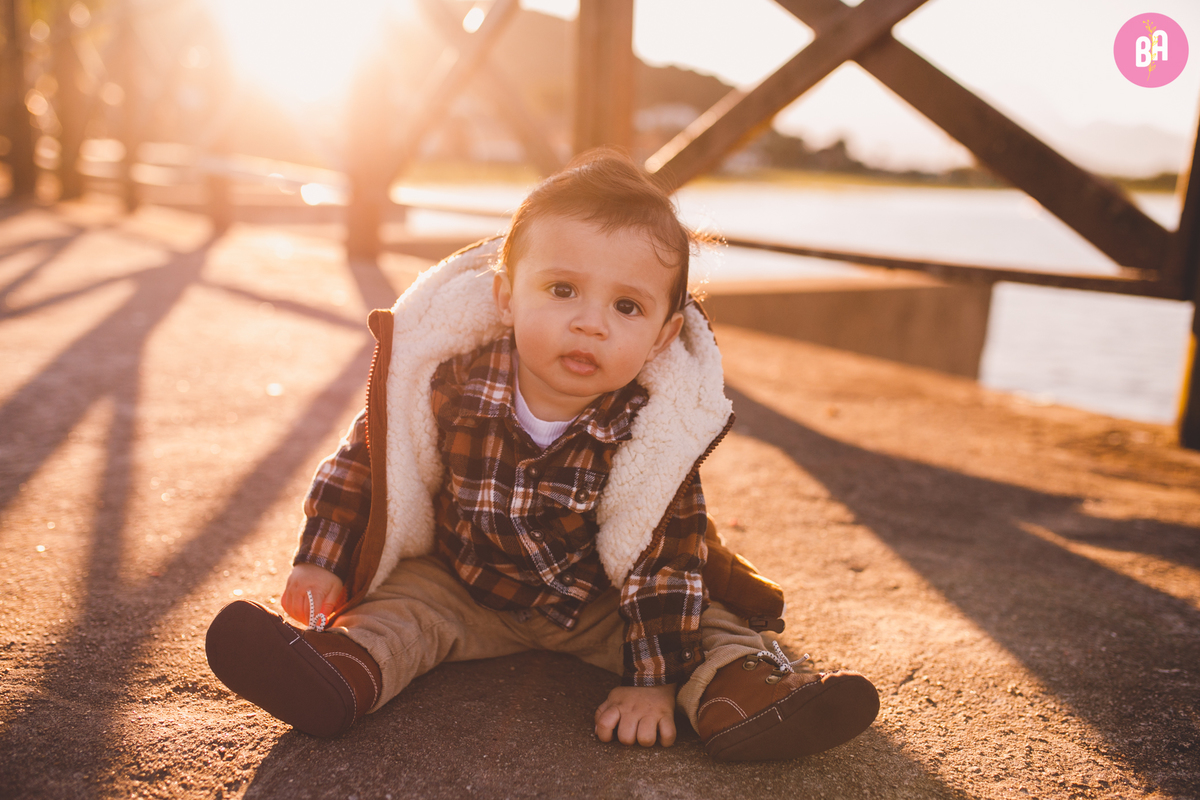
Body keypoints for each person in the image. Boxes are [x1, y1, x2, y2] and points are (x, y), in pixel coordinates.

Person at [206, 151, 879, 760]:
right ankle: (336, 672)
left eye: (626, 306)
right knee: (396, 616)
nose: (591, 322)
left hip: (600, 601)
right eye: (563, 291)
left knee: (704, 614)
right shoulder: (447, 384)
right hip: (462, 583)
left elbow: (663, 561)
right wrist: (322, 559)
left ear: (662, 337)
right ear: (507, 294)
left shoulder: (653, 431)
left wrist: (650, 684)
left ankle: (744, 697)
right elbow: (368, 465)